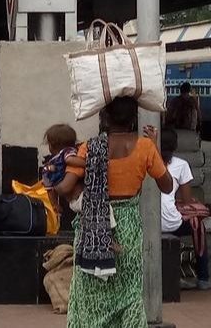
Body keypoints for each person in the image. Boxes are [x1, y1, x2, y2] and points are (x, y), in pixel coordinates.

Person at [56, 96, 174, 327]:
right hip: (128, 229)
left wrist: (51, 178)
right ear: (133, 119)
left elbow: (66, 187)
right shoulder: (145, 147)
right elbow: (167, 186)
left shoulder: (90, 147)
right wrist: (155, 149)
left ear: (105, 117)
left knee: (91, 294)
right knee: (129, 293)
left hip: (93, 228)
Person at [159, 128, 210, 290]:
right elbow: (187, 200)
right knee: (198, 225)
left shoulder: (148, 162)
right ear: (175, 146)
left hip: (149, 221)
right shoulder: (181, 165)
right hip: (172, 223)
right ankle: (203, 278)